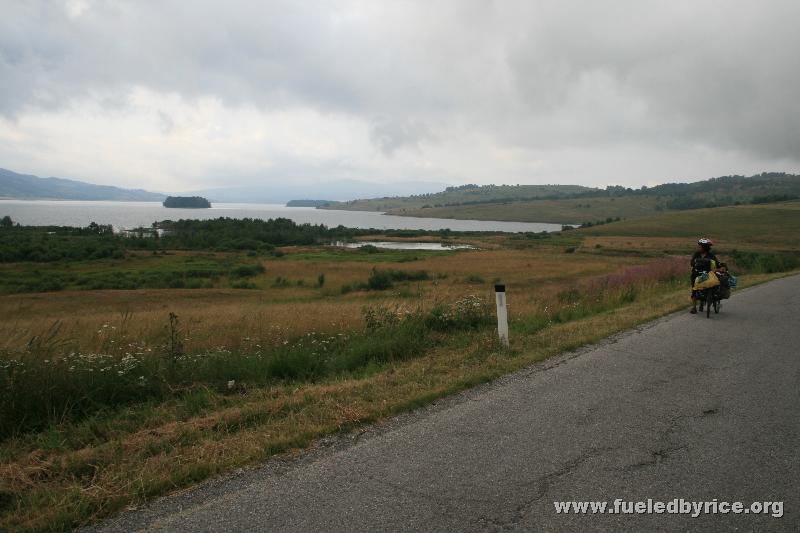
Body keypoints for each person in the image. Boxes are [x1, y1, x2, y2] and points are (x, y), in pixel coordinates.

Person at [690, 238, 719, 314]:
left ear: (705, 247)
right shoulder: (696, 254)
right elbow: (692, 263)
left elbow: (716, 264)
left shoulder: (711, 255)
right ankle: (694, 308)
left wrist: (720, 267)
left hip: (707, 275)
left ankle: (705, 300)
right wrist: (695, 262)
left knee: (709, 286)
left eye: (700, 246)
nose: (698, 248)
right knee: (694, 290)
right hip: (696, 274)